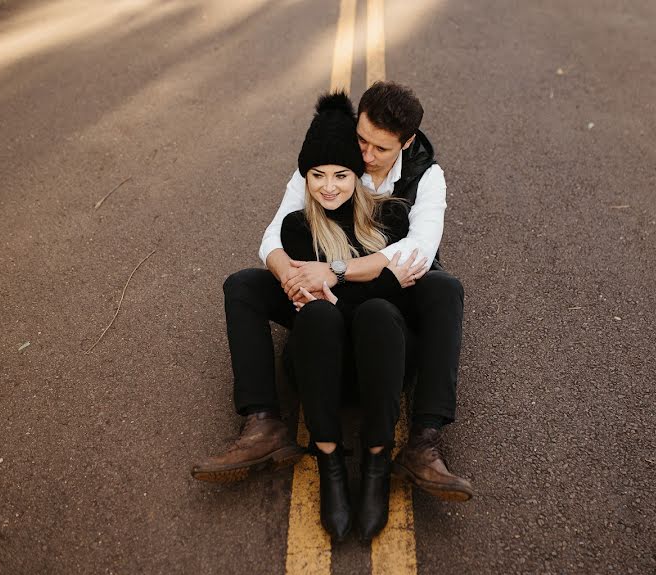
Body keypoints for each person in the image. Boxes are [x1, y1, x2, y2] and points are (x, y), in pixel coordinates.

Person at [192, 82, 472, 502]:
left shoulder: (426, 174)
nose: (365, 155)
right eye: (361, 139)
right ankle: (263, 422)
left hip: (391, 291)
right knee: (243, 286)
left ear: (406, 142)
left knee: (445, 288)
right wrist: (293, 276)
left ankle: (424, 442)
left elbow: (418, 250)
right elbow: (275, 233)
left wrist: (335, 271)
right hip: (321, 285)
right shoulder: (330, 152)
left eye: (381, 149)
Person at [281, 92, 417, 541]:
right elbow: (325, 306)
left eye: (341, 174)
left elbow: (377, 305)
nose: (329, 186)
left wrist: (347, 283)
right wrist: (380, 278)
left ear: (358, 176)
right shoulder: (296, 229)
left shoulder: (391, 220)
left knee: (377, 313)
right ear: (304, 179)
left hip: (379, 363)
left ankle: (377, 456)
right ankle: (329, 459)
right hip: (326, 369)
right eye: (316, 175)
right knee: (321, 316)